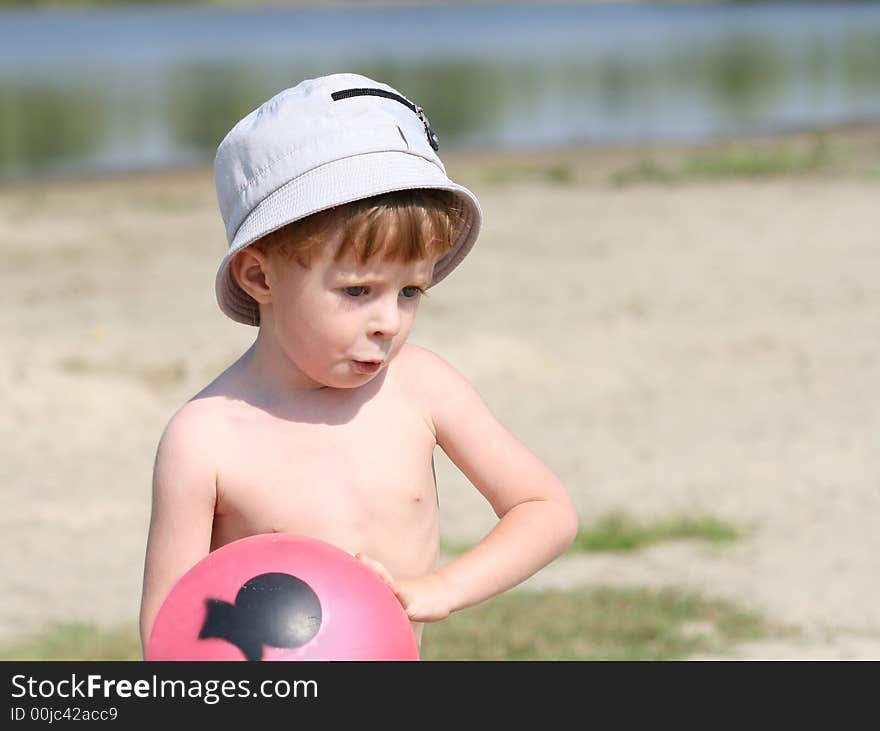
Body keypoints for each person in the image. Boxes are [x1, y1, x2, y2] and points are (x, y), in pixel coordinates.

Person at [138, 73, 579, 658]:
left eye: (411, 292)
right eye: (356, 291)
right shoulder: (206, 438)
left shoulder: (421, 389)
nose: (389, 322)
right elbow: (169, 629)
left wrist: (443, 587)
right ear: (260, 276)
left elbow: (544, 510)